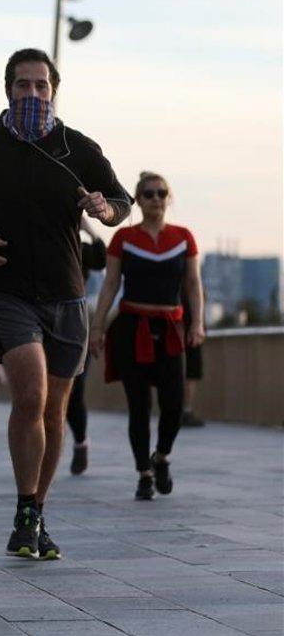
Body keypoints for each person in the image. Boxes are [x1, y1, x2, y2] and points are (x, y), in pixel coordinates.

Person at [0, 48, 130, 560]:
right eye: (23, 85)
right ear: (7, 90)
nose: (32, 94)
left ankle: (36, 513)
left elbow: (121, 201)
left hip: (67, 295)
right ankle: (25, 509)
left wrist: (106, 208)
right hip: (8, 291)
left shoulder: (77, 148)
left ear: (54, 90)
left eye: (41, 86)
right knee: (31, 394)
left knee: (55, 409)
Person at [91, 172, 204, 500]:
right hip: (131, 327)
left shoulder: (184, 238)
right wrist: (97, 327)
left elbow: (193, 284)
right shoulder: (123, 240)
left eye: (161, 193)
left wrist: (197, 324)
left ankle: (162, 456)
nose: (155, 199)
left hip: (171, 327)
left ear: (168, 198)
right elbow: (110, 284)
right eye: (148, 194)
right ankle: (143, 472)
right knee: (138, 405)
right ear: (137, 200)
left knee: (173, 404)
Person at [66, 217, 108, 474]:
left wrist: (86, 227)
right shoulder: (36, 240)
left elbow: (101, 257)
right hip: (37, 318)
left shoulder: (80, 248)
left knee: (74, 392)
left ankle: (80, 442)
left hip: (74, 320)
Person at [180, 305, 206, 428]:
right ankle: (186, 410)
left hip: (179, 325)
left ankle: (182, 409)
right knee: (191, 370)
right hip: (190, 328)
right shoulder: (191, 289)